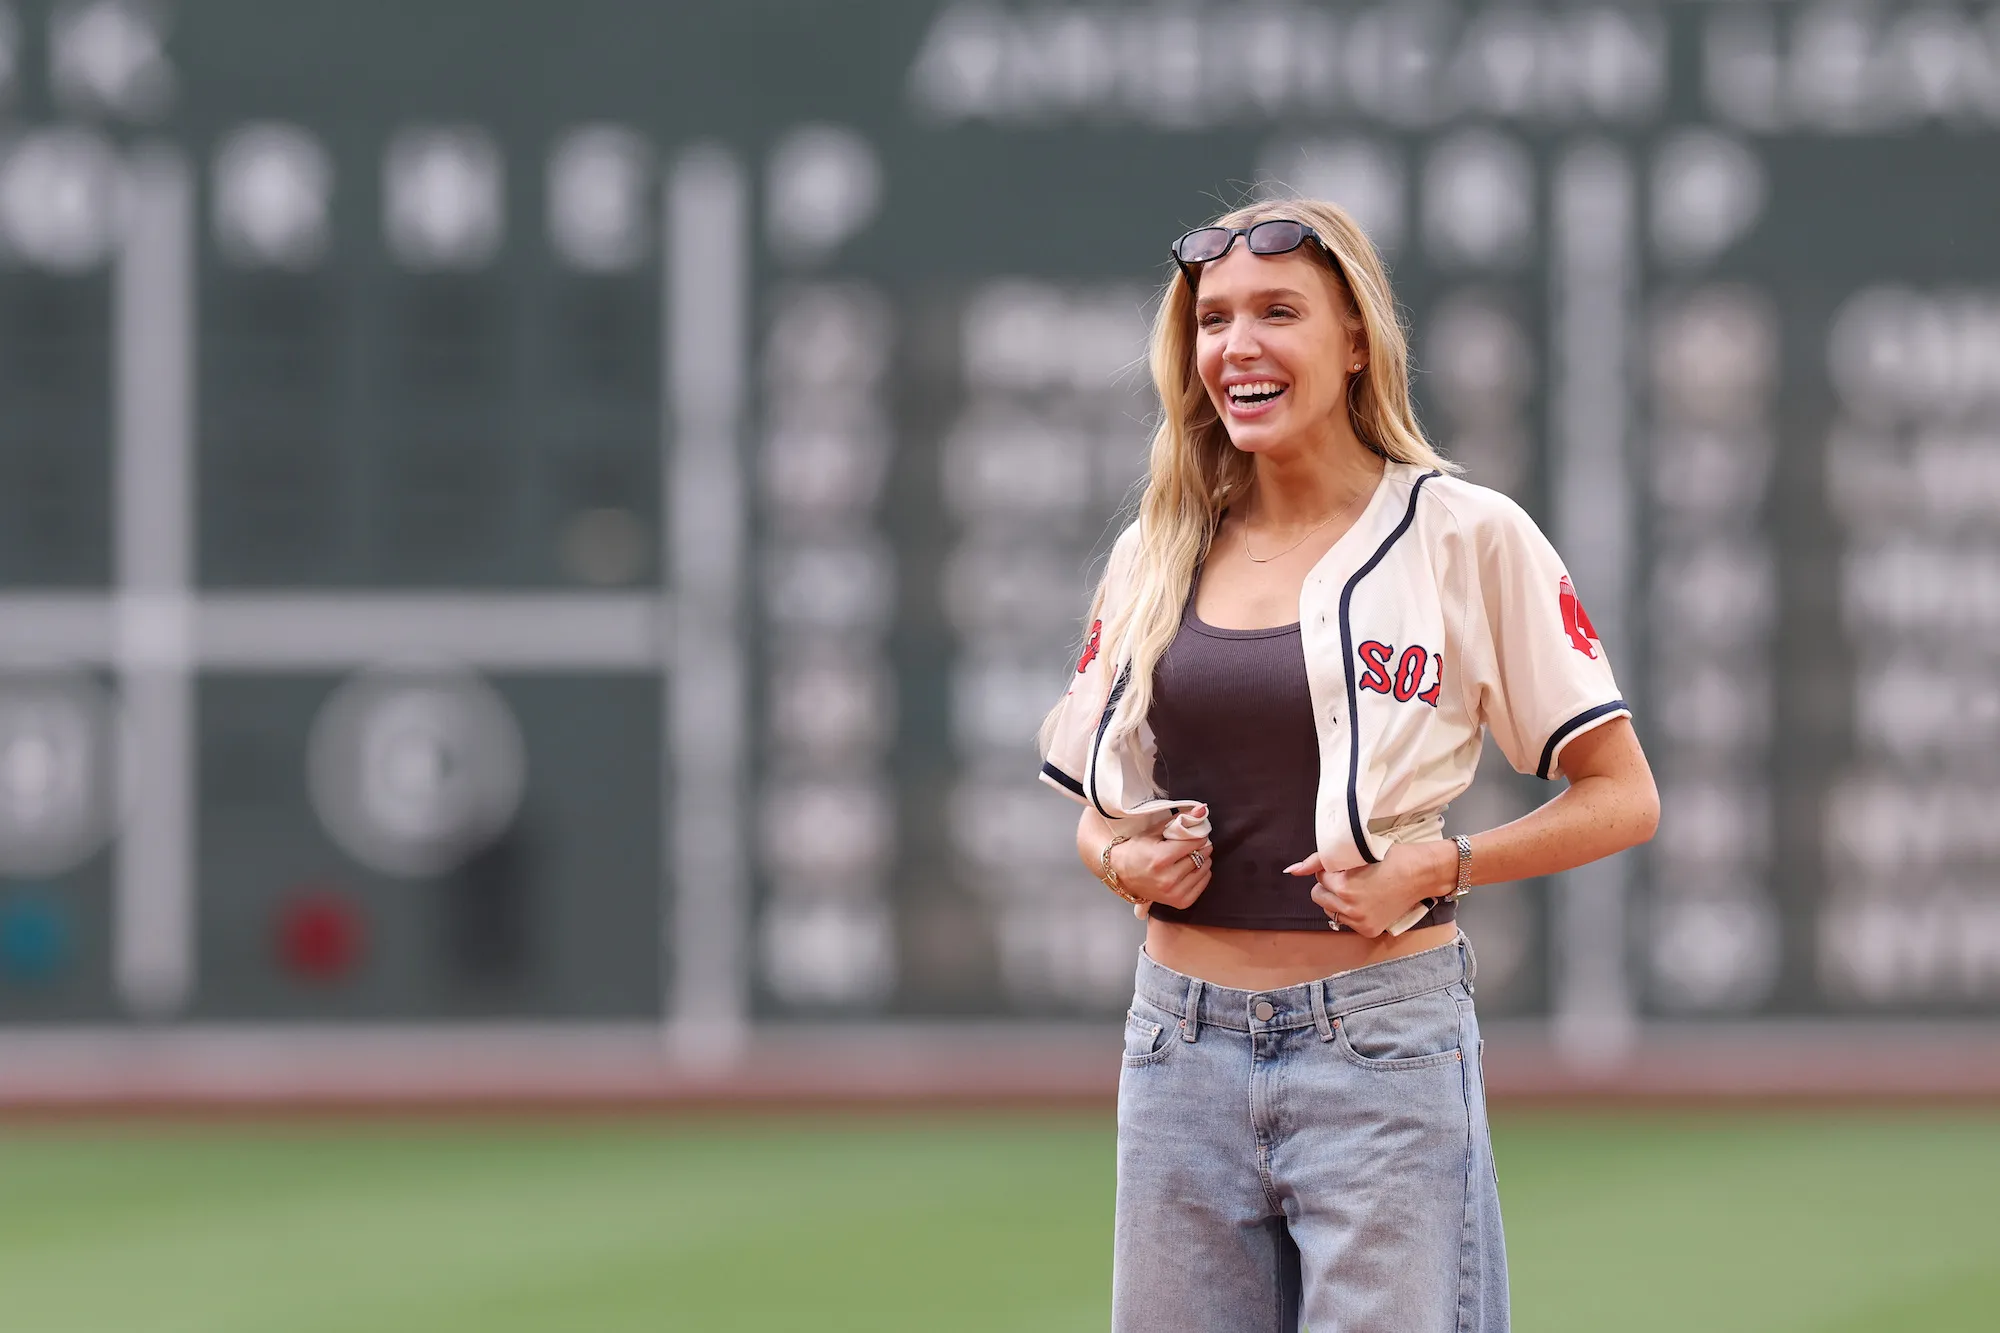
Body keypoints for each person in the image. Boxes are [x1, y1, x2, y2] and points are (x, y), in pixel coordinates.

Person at [1036, 199, 1660, 1333]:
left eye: (1278, 311)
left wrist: (1442, 861)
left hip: (1378, 1043)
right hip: (1178, 1047)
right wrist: (1119, 861)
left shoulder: (1464, 533)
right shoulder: (1156, 547)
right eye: (1212, 319)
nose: (1237, 345)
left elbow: (1622, 796)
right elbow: (1094, 810)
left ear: (1357, 339)